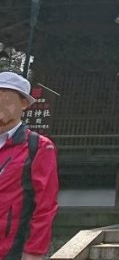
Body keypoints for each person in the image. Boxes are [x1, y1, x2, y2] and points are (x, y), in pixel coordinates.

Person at [0, 71, 59, 260]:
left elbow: (45, 205)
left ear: (23, 104)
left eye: (7, 99)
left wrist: (34, 251)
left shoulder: (39, 146)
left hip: (10, 248)